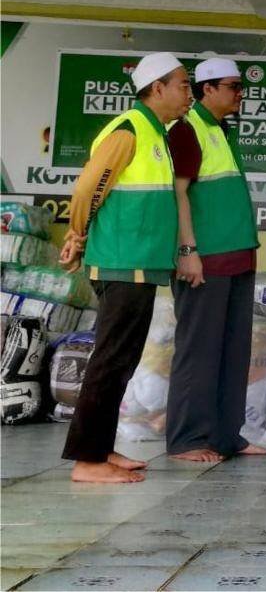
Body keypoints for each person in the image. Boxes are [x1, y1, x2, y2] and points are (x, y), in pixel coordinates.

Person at [58, 52, 191, 483]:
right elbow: (88, 187)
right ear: (157, 89)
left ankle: (100, 447)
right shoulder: (129, 130)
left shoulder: (156, 133)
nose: (189, 94)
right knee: (110, 360)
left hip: (142, 263)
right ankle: (87, 462)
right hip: (121, 262)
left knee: (122, 361)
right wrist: (76, 234)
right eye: (183, 85)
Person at [165, 58, 266, 462]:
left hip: (237, 259)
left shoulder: (221, 132)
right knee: (199, 350)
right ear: (207, 88)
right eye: (233, 87)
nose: (240, 94)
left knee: (232, 351)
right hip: (204, 260)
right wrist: (188, 251)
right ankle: (187, 439)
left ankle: (227, 435)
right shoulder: (188, 130)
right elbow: (178, 194)